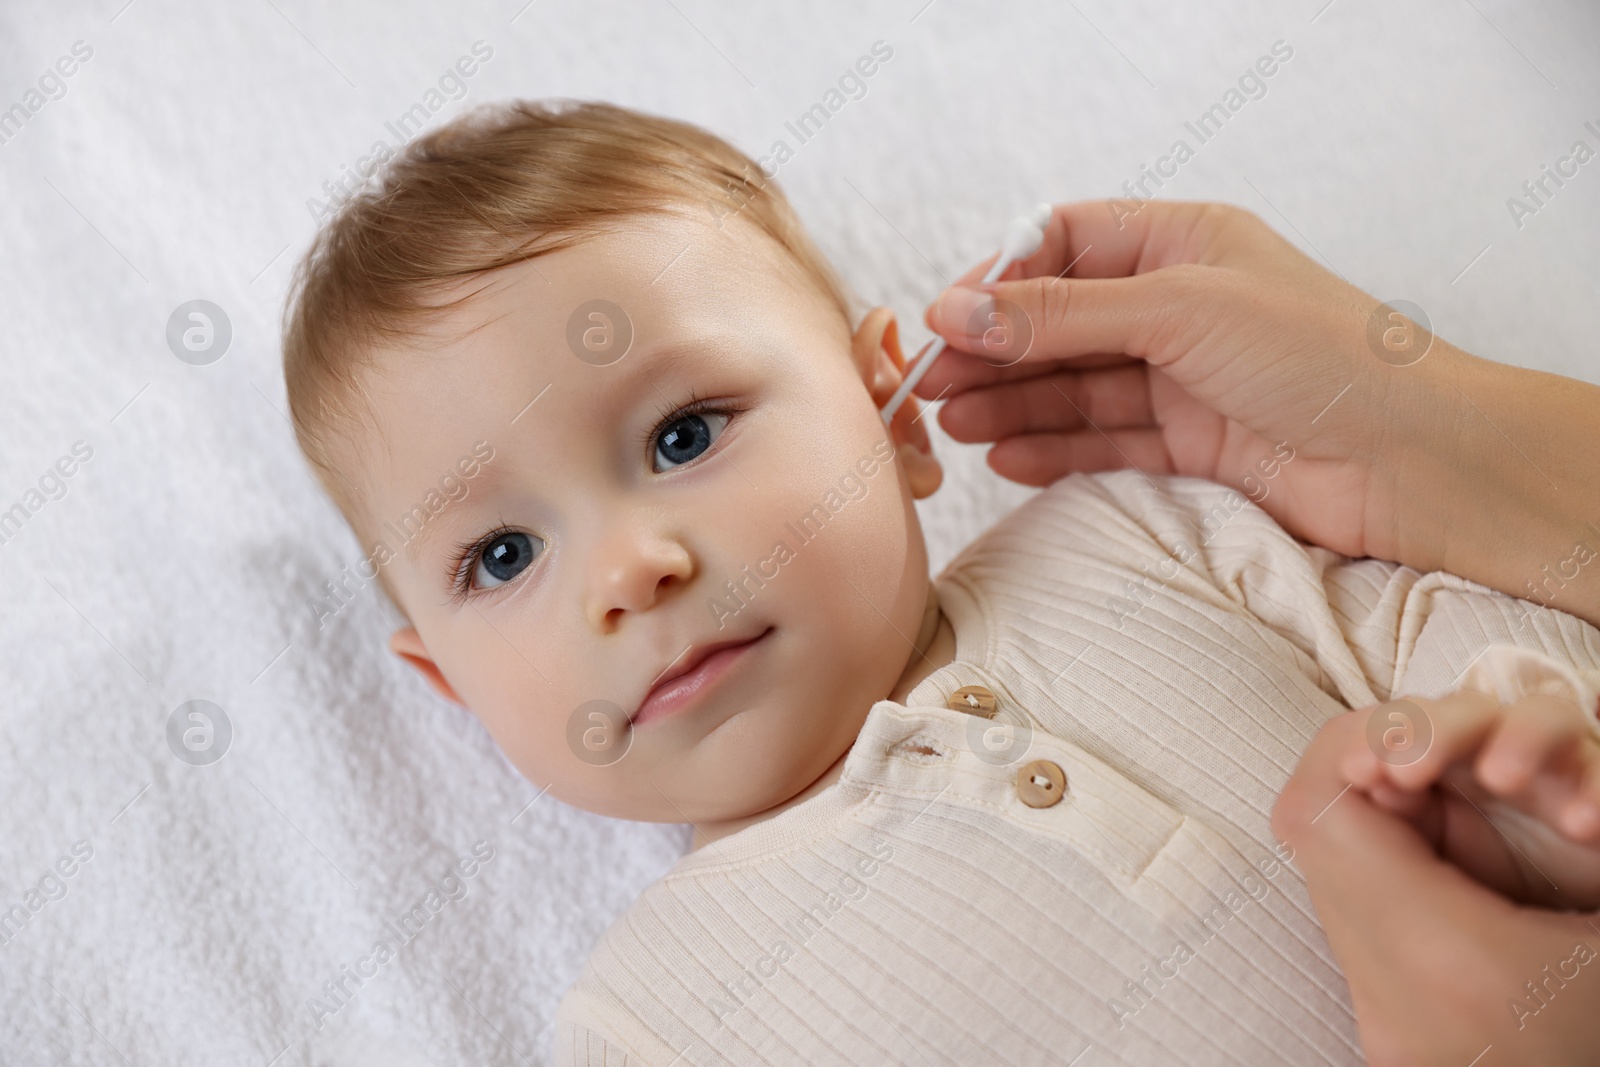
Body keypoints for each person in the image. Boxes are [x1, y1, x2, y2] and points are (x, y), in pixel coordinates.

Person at [913, 198, 1600, 1063]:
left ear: (888, 410)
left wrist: (1536, 794)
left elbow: (1438, 632)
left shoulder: (1127, 526)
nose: (677, 560)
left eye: (690, 435)